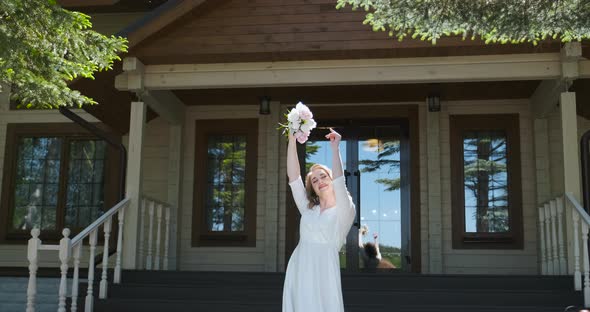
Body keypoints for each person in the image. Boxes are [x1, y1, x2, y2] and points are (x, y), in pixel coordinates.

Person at [282, 128, 356, 312]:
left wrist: (335, 149)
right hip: (300, 266)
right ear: (313, 189)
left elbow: (340, 181)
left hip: (324, 270)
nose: (320, 181)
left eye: (323, 176)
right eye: (314, 180)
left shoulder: (345, 210)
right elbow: (294, 177)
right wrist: (291, 142)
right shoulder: (308, 209)